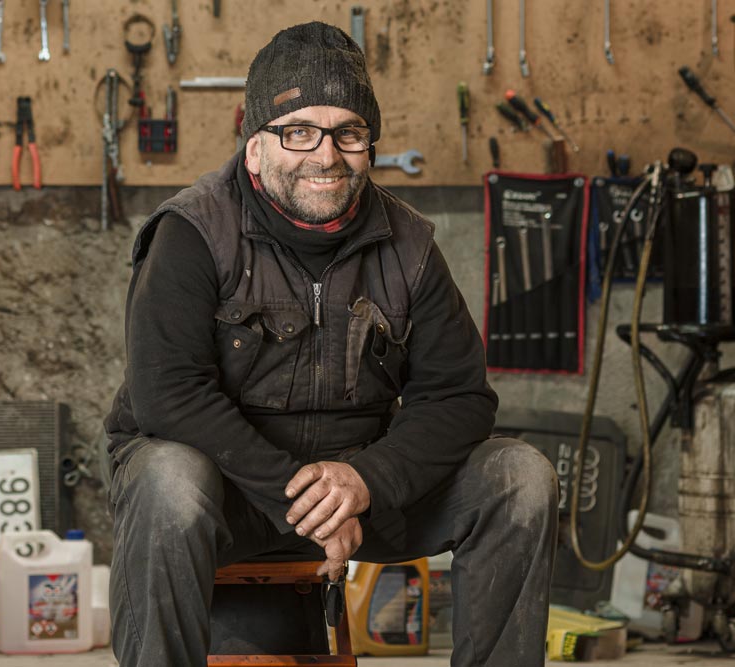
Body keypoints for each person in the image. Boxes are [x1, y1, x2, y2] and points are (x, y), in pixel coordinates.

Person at [104, 21, 558, 667]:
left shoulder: (410, 247)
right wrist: (305, 500)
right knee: (170, 479)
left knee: (520, 478)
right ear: (255, 145)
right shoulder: (192, 233)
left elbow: (458, 396)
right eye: (299, 131)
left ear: (369, 144)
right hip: (227, 489)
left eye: (349, 132)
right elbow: (167, 395)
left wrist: (365, 480)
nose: (326, 155)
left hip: (359, 490)